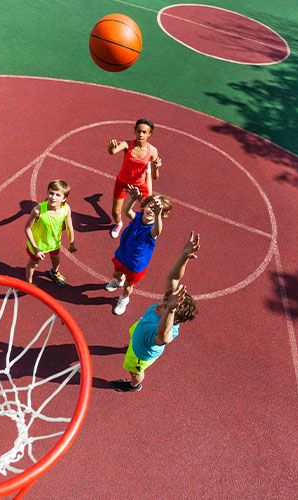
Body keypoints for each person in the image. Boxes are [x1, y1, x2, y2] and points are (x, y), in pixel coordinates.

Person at [110, 232, 200, 392]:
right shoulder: (168, 301)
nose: (163, 301)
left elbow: (163, 337)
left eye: (167, 305)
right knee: (133, 337)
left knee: (134, 371)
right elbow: (173, 277)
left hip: (140, 355)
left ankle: (134, 385)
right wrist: (184, 256)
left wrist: (170, 308)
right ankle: (130, 345)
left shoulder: (167, 331)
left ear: (174, 317)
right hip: (140, 330)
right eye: (166, 299)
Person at [106, 186, 172, 315]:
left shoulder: (153, 229)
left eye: (156, 210)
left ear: (161, 215)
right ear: (145, 205)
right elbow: (127, 212)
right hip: (123, 254)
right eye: (150, 206)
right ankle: (119, 281)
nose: (151, 210)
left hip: (136, 263)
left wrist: (158, 215)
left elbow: (158, 230)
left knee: (128, 286)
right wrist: (133, 199)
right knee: (117, 274)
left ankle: (124, 299)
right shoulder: (138, 217)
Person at [108, 118, 162, 238]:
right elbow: (112, 152)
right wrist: (111, 147)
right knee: (115, 213)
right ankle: (119, 224)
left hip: (140, 185)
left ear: (149, 134)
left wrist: (156, 168)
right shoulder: (127, 144)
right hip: (122, 182)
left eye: (144, 132)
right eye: (138, 131)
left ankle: (144, 231)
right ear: (135, 131)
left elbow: (155, 177)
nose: (141, 134)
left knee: (148, 211)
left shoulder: (152, 151)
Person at [25, 180, 77, 286]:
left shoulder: (66, 209)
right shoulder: (38, 210)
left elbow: (69, 226)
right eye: (51, 193)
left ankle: (54, 272)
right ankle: (28, 283)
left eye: (58, 195)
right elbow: (27, 228)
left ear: (64, 198)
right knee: (33, 264)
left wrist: (72, 242)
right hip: (38, 245)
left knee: (55, 258)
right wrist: (35, 248)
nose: (53, 197)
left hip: (54, 243)